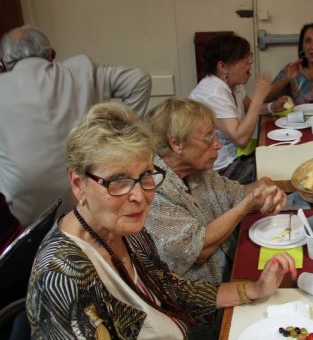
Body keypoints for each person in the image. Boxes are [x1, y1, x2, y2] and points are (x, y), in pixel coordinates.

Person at [26, 102, 296, 339]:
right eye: (119, 180)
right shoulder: (61, 276)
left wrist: (254, 289)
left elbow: (172, 290)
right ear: (78, 184)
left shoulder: (127, 230)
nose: (140, 196)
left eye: (146, 175)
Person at [0, 25, 151, 225]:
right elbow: (139, 81)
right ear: (51, 55)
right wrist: (121, 139)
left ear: (3, 63)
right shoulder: (80, 71)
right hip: (88, 189)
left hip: (24, 206)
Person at [144, 97, 287, 286]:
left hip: (232, 265)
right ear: (177, 144)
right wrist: (244, 207)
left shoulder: (197, 171)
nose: (218, 145)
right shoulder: (153, 190)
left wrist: (265, 187)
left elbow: (237, 194)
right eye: (208, 138)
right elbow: (198, 252)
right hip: (206, 293)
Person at [190, 33, 291, 184]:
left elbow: (250, 108)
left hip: (235, 156)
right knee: (278, 173)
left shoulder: (234, 85)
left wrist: (272, 106)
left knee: (281, 154)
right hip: (217, 169)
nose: (250, 61)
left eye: (249, 55)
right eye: (243, 58)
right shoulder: (213, 93)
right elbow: (241, 139)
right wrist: (259, 96)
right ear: (223, 67)